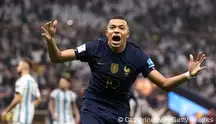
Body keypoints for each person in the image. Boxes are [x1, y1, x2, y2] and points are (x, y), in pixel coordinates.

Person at [41, 16, 206, 124]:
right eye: (112, 27)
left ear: (127, 34)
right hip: (93, 104)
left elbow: (164, 83)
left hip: (119, 110)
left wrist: (188, 74)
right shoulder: (94, 47)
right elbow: (58, 57)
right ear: (107, 33)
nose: (116, 30)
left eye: (121, 28)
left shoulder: (137, 56)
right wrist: (50, 41)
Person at [1, 59, 41, 124]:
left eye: (18, 65)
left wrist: (6, 111)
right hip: (28, 117)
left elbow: (17, 99)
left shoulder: (21, 80)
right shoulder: (33, 82)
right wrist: (29, 107)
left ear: (22, 67)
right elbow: (39, 99)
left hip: (20, 118)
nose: (17, 67)